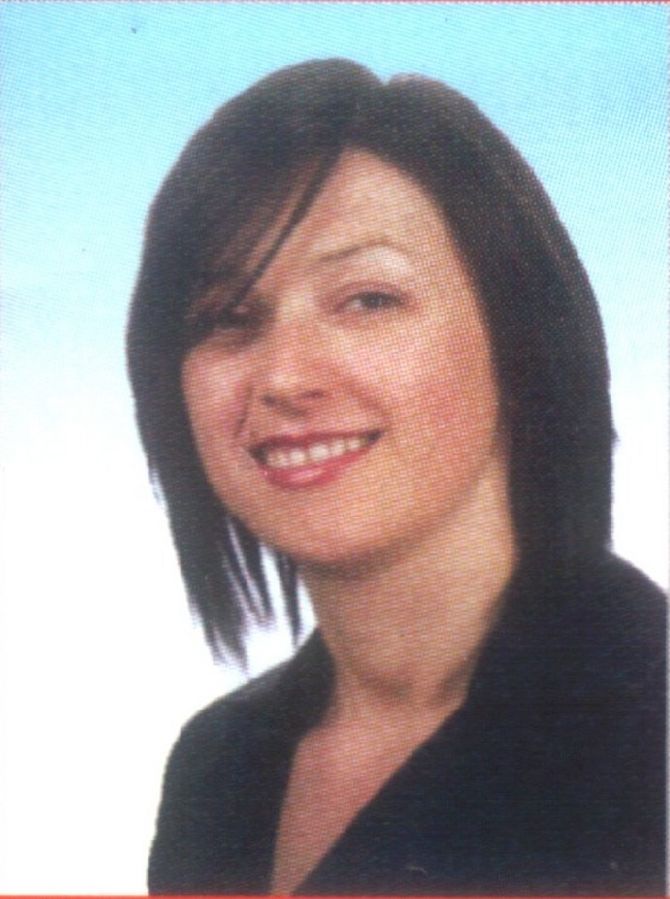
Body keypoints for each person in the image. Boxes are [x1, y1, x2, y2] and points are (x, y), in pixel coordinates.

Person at [127, 60, 666, 895]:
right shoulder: (217, 767)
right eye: (230, 319)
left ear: (522, 340)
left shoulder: (647, 724)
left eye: (368, 299)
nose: (285, 376)